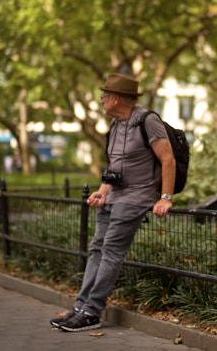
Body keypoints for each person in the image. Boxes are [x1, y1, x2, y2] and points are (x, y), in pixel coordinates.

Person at [50, 73, 176, 332]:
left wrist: (165, 197)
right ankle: (80, 307)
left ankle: (92, 311)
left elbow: (168, 159)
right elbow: (114, 165)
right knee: (97, 249)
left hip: (136, 197)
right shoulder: (116, 124)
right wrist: (102, 190)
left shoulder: (147, 121)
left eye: (103, 97)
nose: (101, 101)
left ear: (116, 98)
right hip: (114, 196)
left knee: (110, 252)